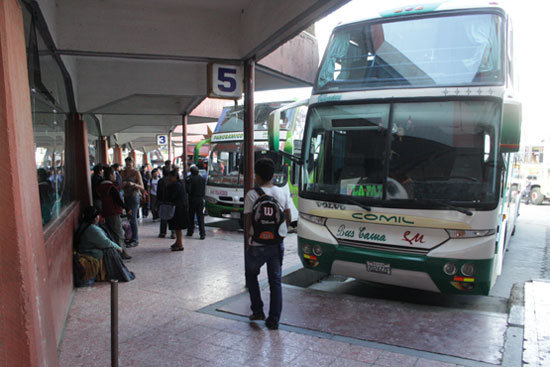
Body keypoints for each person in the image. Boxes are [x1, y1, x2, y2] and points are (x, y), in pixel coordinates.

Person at [243, 158, 291, 330]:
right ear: (272, 175)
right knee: (275, 281)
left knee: (251, 275)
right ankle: (274, 320)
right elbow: (289, 218)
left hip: (256, 244)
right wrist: (279, 237)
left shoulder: (251, 194)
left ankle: (258, 311)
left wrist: (249, 241)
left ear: (257, 175)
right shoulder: (282, 192)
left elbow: (248, 221)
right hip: (276, 244)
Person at [75, 206, 135, 282]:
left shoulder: (86, 225)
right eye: (97, 216)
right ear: (94, 218)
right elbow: (105, 243)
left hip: (86, 248)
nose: (98, 217)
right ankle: (114, 273)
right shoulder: (92, 229)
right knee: (111, 251)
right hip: (88, 251)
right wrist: (118, 247)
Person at [96, 166, 132, 260]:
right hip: (114, 212)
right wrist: (127, 208)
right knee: (119, 233)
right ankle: (122, 253)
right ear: (110, 175)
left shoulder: (101, 186)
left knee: (112, 232)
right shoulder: (111, 187)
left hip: (106, 211)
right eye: (114, 174)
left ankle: (116, 251)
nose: (115, 176)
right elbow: (118, 200)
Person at [121, 157, 145, 247]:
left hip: (134, 196)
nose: (128, 166)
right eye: (126, 164)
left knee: (133, 218)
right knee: (129, 217)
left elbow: (142, 186)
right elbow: (120, 185)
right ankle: (130, 237)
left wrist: (133, 184)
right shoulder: (123, 172)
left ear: (133, 163)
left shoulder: (136, 172)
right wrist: (123, 185)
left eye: (129, 164)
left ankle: (135, 239)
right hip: (126, 196)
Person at [166, 169, 189, 251]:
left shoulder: (175, 185)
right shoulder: (181, 183)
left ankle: (180, 244)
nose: (169, 178)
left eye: (170, 177)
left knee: (177, 226)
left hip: (177, 209)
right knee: (177, 227)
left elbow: (172, 196)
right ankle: (178, 242)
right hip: (181, 207)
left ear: (174, 177)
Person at [186, 165, 206, 239]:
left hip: (192, 198)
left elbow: (187, 190)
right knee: (200, 216)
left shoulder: (189, 179)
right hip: (200, 199)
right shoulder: (202, 179)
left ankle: (190, 231)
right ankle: (202, 233)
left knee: (191, 215)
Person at [156, 167, 175, 239]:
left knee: (163, 217)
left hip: (163, 201)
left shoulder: (160, 181)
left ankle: (162, 232)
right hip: (171, 201)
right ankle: (173, 233)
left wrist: (158, 202)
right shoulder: (172, 181)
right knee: (172, 217)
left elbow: (158, 192)